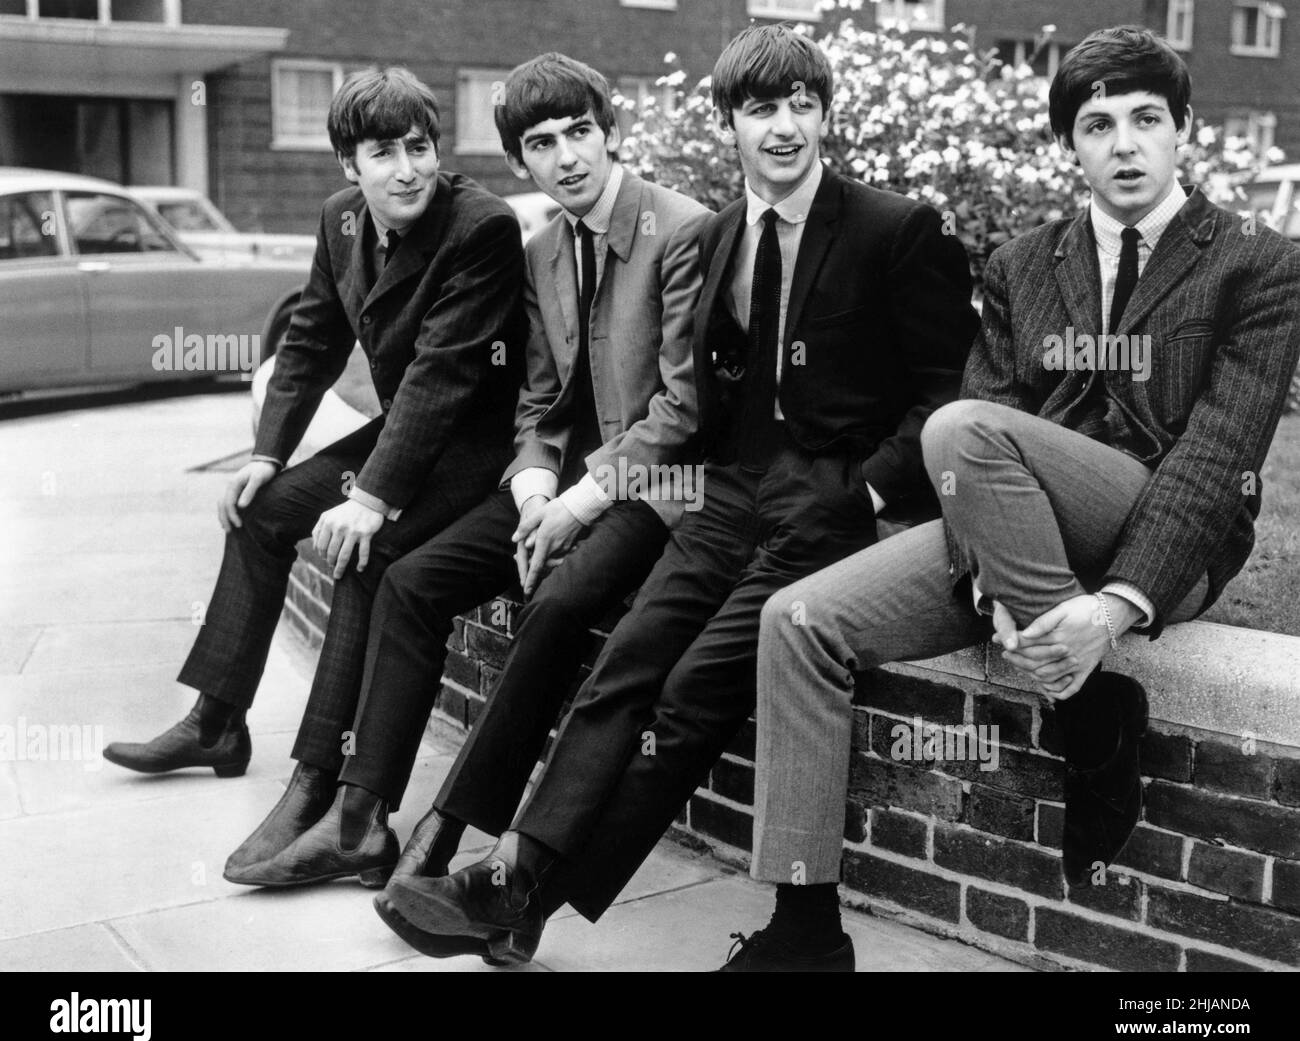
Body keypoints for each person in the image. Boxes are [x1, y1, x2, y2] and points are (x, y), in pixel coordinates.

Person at [385, 23, 978, 966]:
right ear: (730, 124)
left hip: (833, 503)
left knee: (697, 688)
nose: (783, 129)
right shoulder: (718, 237)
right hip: (727, 493)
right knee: (624, 660)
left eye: (801, 107)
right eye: (760, 110)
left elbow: (951, 390)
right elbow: (705, 399)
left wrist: (865, 493)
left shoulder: (893, 229)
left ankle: (520, 885)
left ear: (825, 114)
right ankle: (515, 881)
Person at [727, 25, 1300, 971]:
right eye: (1096, 124)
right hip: (1016, 527)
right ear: (1069, 145)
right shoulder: (1026, 262)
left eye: (1146, 120)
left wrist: (1112, 610)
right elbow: (994, 418)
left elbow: (1215, 460)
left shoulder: (1256, 262)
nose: (1124, 145)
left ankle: (1081, 701)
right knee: (796, 621)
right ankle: (804, 928)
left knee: (956, 427)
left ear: (1184, 130)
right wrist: (1000, 572)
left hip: (1160, 532)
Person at [222, 54, 711, 913]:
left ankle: (446, 831)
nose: (567, 158)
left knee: (553, 607)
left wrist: (572, 502)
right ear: (519, 161)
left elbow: (681, 410)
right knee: (408, 581)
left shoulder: (685, 229)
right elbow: (536, 398)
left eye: (581, 134)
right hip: (552, 486)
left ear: (611, 130)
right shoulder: (544, 248)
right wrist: (531, 489)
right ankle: (359, 818)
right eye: (541, 144)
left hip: (652, 487)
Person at [103, 68, 526, 887]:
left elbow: (442, 378)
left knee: (362, 554)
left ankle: (319, 788)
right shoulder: (339, 222)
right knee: (262, 514)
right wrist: (267, 455)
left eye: (420, 147)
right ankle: (218, 721)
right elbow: (309, 341)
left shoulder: (481, 227)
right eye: (383, 152)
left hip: (474, 448)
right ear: (347, 165)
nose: (408, 168)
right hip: (403, 434)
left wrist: (370, 498)